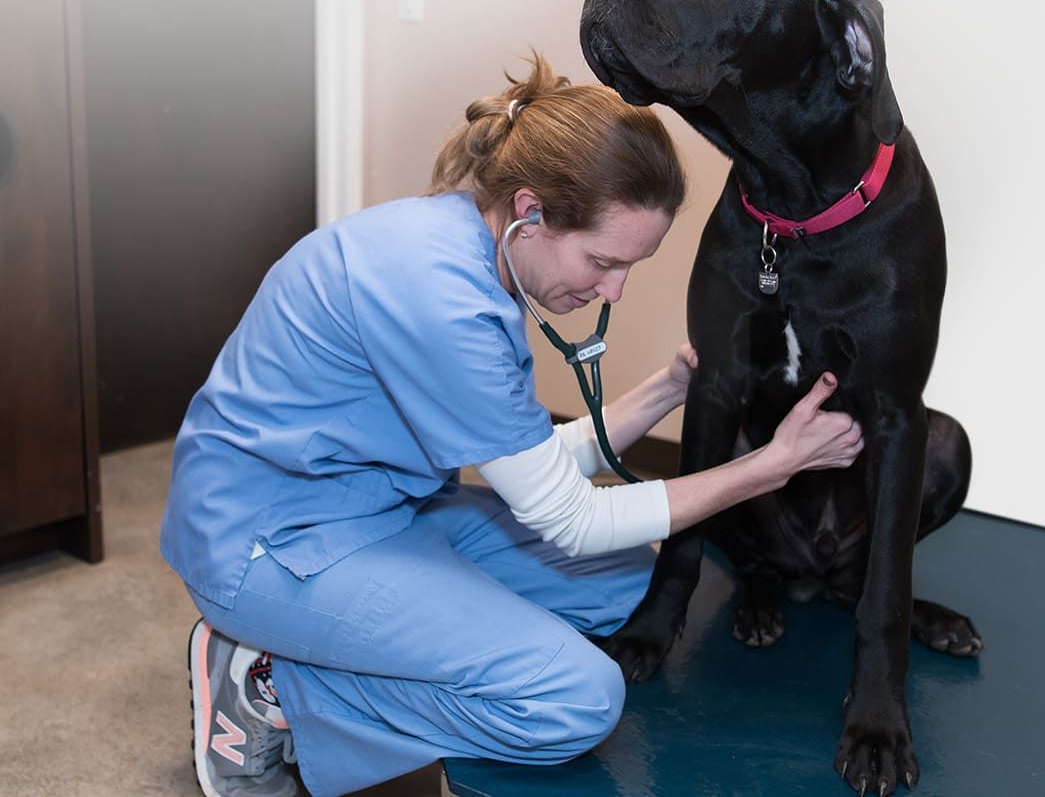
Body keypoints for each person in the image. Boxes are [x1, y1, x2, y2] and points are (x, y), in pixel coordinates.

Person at [161, 55, 863, 797]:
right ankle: (275, 688)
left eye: (633, 266)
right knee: (575, 697)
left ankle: (349, 643)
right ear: (530, 211)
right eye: (602, 260)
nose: (614, 289)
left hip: (379, 510)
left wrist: (668, 387)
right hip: (269, 543)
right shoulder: (439, 298)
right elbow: (571, 516)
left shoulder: (472, 253)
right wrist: (770, 464)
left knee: (633, 586)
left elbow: (531, 463)